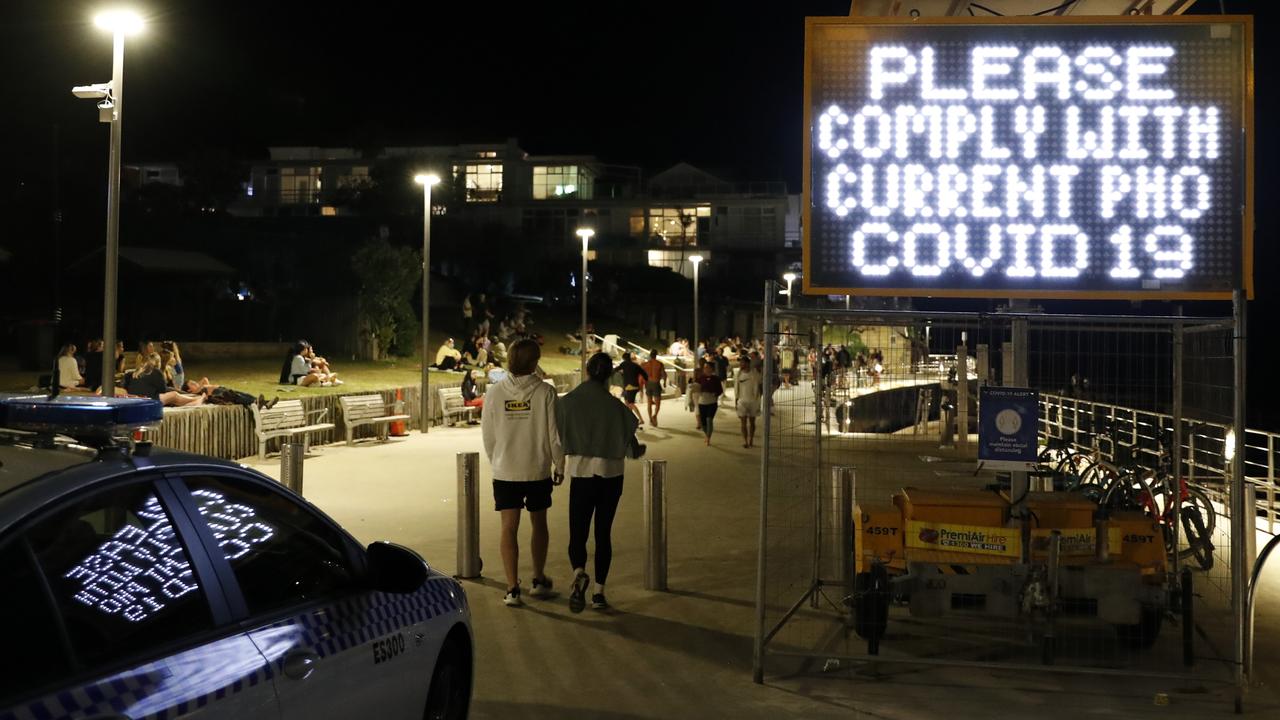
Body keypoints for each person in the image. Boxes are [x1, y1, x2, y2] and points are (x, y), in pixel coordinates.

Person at [556, 352, 644, 613]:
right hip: (611, 475)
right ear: (609, 375)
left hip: (581, 473)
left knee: (578, 532)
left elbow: (558, 438)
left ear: (587, 371)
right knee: (603, 533)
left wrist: (558, 467)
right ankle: (599, 593)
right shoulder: (617, 408)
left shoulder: (569, 403)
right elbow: (631, 447)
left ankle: (579, 571)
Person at [481, 338, 564, 607]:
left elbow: (488, 435)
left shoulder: (494, 393)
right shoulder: (545, 392)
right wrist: (559, 465)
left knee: (508, 527)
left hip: (505, 470)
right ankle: (538, 579)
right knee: (539, 523)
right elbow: (555, 436)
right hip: (537, 469)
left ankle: (512, 587)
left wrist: (498, 462)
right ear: (534, 362)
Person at [127, 354, 205, 407]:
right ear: (158, 363)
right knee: (174, 395)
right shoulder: (156, 371)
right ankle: (199, 399)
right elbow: (163, 390)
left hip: (134, 398)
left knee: (173, 396)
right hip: (147, 399)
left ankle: (195, 398)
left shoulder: (136, 371)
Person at [735, 356, 763, 448]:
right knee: (743, 422)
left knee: (752, 422)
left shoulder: (754, 374)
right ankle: (745, 441)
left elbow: (760, 381)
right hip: (742, 401)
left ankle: (751, 439)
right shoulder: (738, 374)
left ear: (747, 363)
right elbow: (736, 388)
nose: (740, 364)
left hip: (753, 401)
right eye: (740, 363)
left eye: (742, 362)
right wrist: (736, 400)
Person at [614, 352, 649, 426]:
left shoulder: (624, 364)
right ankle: (630, 419)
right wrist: (646, 380)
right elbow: (644, 373)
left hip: (630, 387)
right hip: (634, 386)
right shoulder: (635, 365)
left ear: (624, 358)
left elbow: (615, 369)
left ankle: (641, 419)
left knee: (631, 404)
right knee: (627, 403)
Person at [696, 359, 724, 446]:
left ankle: (708, 438)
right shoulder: (701, 378)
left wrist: (714, 393)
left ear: (712, 369)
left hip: (712, 402)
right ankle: (706, 434)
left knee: (709, 420)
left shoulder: (716, 379)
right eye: (705, 367)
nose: (705, 369)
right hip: (702, 402)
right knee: (703, 423)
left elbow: (720, 390)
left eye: (707, 367)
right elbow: (696, 387)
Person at [640, 349, 666, 427]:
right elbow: (664, 374)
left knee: (649, 403)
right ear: (656, 355)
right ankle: (655, 416)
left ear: (650, 355)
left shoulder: (644, 364)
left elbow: (641, 374)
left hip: (648, 384)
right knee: (658, 403)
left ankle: (650, 418)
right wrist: (664, 382)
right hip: (656, 383)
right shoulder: (659, 364)